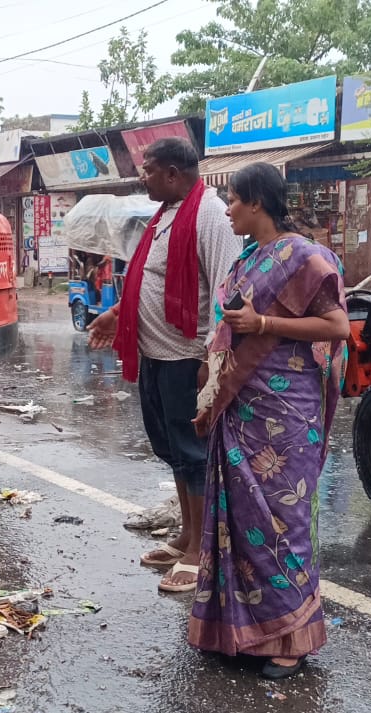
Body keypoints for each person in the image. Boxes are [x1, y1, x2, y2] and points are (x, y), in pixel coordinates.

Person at [188, 162, 349, 679]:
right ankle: (235, 630)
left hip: (286, 410)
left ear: (257, 201)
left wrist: (262, 322)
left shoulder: (305, 255)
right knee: (239, 516)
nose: (227, 209)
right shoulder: (245, 260)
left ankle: (291, 639)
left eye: (233, 199)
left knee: (282, 521)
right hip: (241, 405)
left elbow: (337, 326)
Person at [88, 137, 244, 593]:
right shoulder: (166, 214)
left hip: (184, 358)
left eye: (149, 169)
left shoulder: (210, 214)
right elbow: (144, 278)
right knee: (173, 449)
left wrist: (208, 359)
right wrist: (116, 313)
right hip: (154, 356)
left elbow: (224, 288)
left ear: (173, 174)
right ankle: (186, 535)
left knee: (194, 454)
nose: (143, 177)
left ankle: (201, 551)